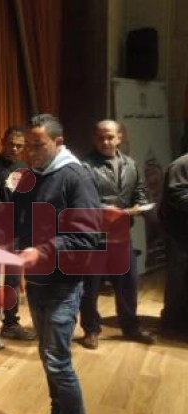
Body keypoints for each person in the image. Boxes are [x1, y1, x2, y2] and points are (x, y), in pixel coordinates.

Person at [16, 114, 99, 414]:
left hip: (63, 283)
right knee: (48, 356)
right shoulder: (30, 176)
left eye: (38, 145)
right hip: (37, 281)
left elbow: (87, 236)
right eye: (27, 146)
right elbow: (20, 220)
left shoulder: (76, 177)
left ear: (58, 142)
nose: (31, 152)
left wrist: (42, 250)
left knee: (56, 359)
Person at [78, 120, 155, 349]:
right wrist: (106, 209)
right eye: (100, 137)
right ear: (94, 139)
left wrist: (140, 205)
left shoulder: (131, 164)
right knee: (90, 286)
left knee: (128, 283)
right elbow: (82, 199)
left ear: (120, 137)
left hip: (122, 235)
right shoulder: (84, 166)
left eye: (110, 137)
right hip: (95, 237)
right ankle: (91, 329)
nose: (105, 142)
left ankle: (131, 327)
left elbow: (140, 191)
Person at [0, 126, 35, 350]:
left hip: (18, 234)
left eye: (19, 146)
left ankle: (11, 324)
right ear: (3, 141)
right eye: (11, 143)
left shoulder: (25, 168)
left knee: (13, 281)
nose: (14, 148)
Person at [158, 153, 188, 334]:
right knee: (178, 280)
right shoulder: (181, 164)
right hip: (179, 235)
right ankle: (171, 323)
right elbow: (177, 194)